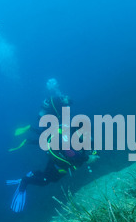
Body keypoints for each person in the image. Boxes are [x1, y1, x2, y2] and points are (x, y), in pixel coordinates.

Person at [7, 79, 99, 212]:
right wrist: (88, 158)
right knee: (47, 180)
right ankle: (25, 181)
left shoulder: (69, 130)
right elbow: (72, 156)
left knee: (47, 174)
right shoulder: (67, 135)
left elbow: (87, 144)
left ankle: (31, 173)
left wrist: (93, 152)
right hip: (59, 160)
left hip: (56, 154)